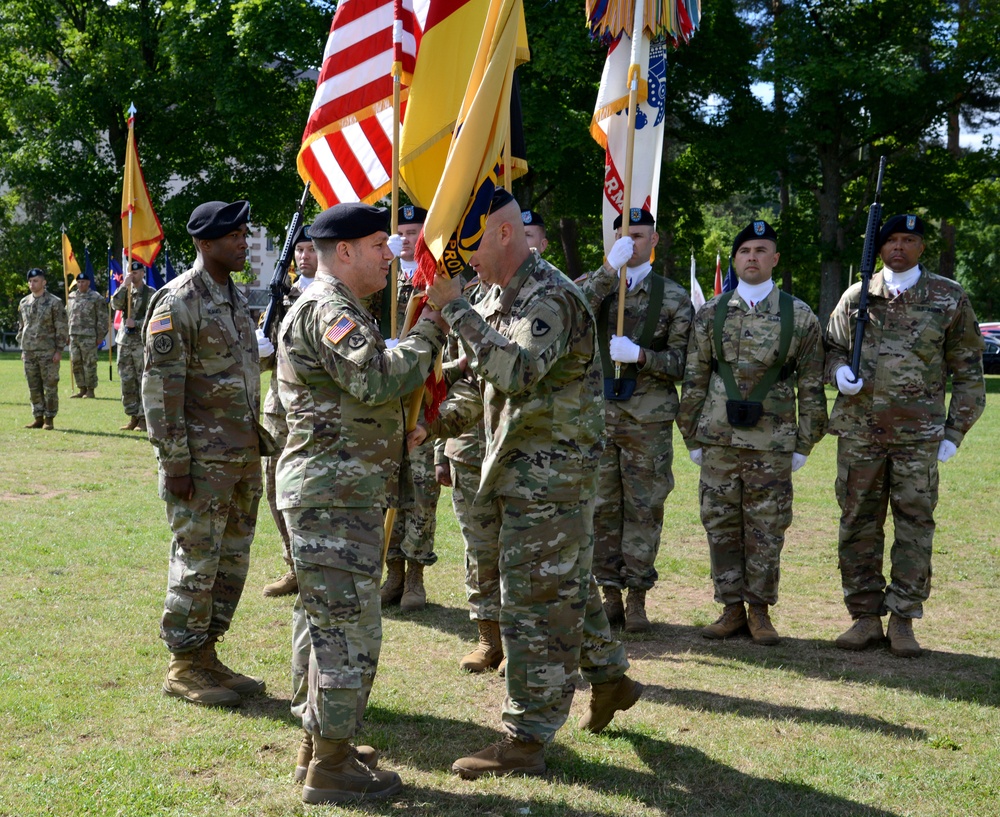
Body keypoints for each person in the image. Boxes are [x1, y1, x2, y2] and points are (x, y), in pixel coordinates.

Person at [414, 189, 643, 779]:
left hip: (552, 477)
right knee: (561, 586)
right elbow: (480, 384)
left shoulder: (552, 296)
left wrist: (456, 309)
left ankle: (526, 739)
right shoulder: (497, 294)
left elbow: (515, 370)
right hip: (516, 470)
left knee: (533, 607)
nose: (462, 261)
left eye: (470, 244)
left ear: (505, 234)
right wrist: (429, 420)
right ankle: (611, 679)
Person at [275, 202, 447, 804]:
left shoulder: (340, 307)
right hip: (333, 498)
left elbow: (353, 401)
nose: (389, 254)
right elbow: (375, 379)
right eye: (379, 244)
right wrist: (431, 322)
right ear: (344, 251)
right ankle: (332, 768)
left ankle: (319, 748)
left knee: (329, 627)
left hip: (337, 492)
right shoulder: (330, 309)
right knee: (348, 633)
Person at [825, 213, 985, 657]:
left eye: (908, 240)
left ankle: (903, 620)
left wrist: (955, 431)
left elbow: (969, 372)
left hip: (919, 437)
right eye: (891, 240)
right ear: (879, 249)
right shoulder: (859, 296)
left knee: (914, 525)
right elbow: (831, 348)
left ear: (921, 247)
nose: (898, 247)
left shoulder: (947, 297)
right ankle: (863, 617)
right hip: (860, 434)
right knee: (857, 523)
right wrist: (838, 372)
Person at [142, 199, 269, 709]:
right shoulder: (178, 301)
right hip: (199, 464)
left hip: (240, 457)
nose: (243, 241)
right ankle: (182, 665)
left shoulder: (234, 298)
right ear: (204, 243)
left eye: (243, 232)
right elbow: (161, 391)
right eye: (233, 235)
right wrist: (174, 464)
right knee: (196, 563)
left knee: (230, 564)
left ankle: (208, 653)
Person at [677, 220, 827, 645]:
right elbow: (694, 377)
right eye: (745, 251)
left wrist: (805, 440)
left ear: (774, 258)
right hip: (719, 440)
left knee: (767, 527)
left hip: (772, 442)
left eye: (762, 250)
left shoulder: (798, 315)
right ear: (735, 259)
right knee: (720, 524)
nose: (753, 258)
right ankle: (730, 609)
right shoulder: (711, 312)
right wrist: (691, 436)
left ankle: (759, 611)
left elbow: (812, 384)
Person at [578, 208, 693, 632]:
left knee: (645, 508)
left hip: (648, 421)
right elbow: (570, 314)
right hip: (597, 417)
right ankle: (608, 593)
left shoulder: (675, 297)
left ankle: (638, 596)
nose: (632, 243)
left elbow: (685, 362)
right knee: (602, 507)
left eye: (639, 236)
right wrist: (609, 270)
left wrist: (643, 356)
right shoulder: (596, 286)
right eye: (623, 236)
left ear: (654, 240)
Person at [381, 204, 442, 611]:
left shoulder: (434, 280)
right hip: (383, 399)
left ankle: (416, 577)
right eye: (400, 231)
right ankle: (393, 573)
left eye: (413, 231)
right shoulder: (376, 279)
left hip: (420, 397)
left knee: (421, 488)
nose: (405, 237)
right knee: (388, 486)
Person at [258, 222, 316, 599]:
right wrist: (259, 345)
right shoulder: (283, 293)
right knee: (274, 487)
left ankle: (316, 565)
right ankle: (294, 564)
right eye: (299, 250)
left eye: (310, 249)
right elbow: (267, 357)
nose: (304, 256)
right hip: (279, 405)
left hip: (317, 408)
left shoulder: (345, 293)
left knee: (311, 491)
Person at [16, 268, 68, 430]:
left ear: (44, 282)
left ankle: (49, 418)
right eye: (30, 281)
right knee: (33, 386)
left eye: (36, 281)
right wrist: (23, 349)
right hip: (30, 351)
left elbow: (61, 327)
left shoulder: (54, 302)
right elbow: (21, 327)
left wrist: (59, 350)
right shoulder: (24, 303)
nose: (32, 284)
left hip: (48, 352)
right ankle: (38, 416)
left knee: (50, 386)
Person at [111, 260, 152, 431]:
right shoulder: (126, 291)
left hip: (141, 343)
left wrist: (136, 323)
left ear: (143, 273)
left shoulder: (151, 294)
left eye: (136, 272)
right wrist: (123, 286)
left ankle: (144, 418)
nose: (133, 275)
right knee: (127, 381)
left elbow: (155, 320)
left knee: (142, 380)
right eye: (131, 272)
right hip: (124, 342)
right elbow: (115, 305)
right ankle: (133, 416)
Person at [67, 273, 108, 399]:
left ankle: (90, 389)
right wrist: (66, 333)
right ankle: (81, 388)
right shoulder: (71, 297)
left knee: (89, 363)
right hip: (74, 335)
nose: (80, 284)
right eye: (78, 282)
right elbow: (67, 316)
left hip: (89, 336)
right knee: (76, 363)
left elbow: (103, 318)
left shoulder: (96, 298)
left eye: (83, 282)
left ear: (88, 283)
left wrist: (100, 335)